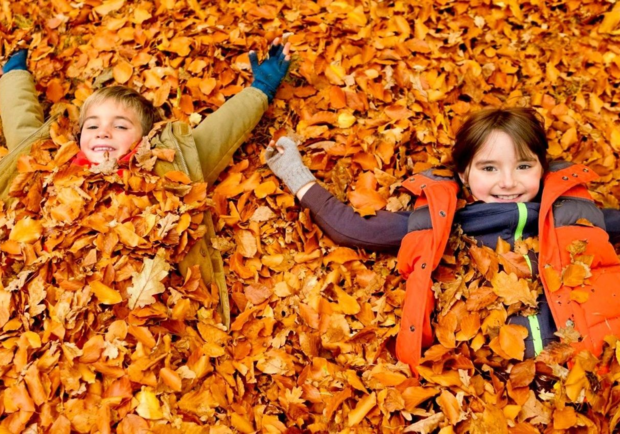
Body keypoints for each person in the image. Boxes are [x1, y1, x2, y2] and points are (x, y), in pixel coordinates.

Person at [265, 107, 620, 371]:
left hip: (586, 367)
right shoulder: (445, 221)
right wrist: (296, 176)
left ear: (543, 169)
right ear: (465, 173)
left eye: (524, 166)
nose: (508, 181)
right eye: (489, 168)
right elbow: (356, 230)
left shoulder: (574, 213)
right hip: (483, 376)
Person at [0, 41, 291, 327]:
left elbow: (219, 133)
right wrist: (14, 75)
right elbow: (21, 124)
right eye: (92, 125)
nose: (103, 132)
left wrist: (261, 88)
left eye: (120, 126)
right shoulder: (51, 166)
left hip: (129, 305)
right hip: (48, 292)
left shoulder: (165, 170)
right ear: (77, 139)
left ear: (143, 140)